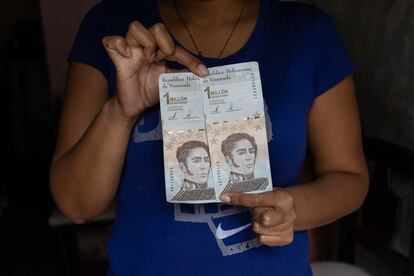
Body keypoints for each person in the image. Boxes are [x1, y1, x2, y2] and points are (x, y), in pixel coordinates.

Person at [49, 0, 369, 275]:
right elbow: (77, 206)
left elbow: (349, 177)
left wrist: (293, 209)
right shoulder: (111, 31)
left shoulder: (308, 32)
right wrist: (120, 111)